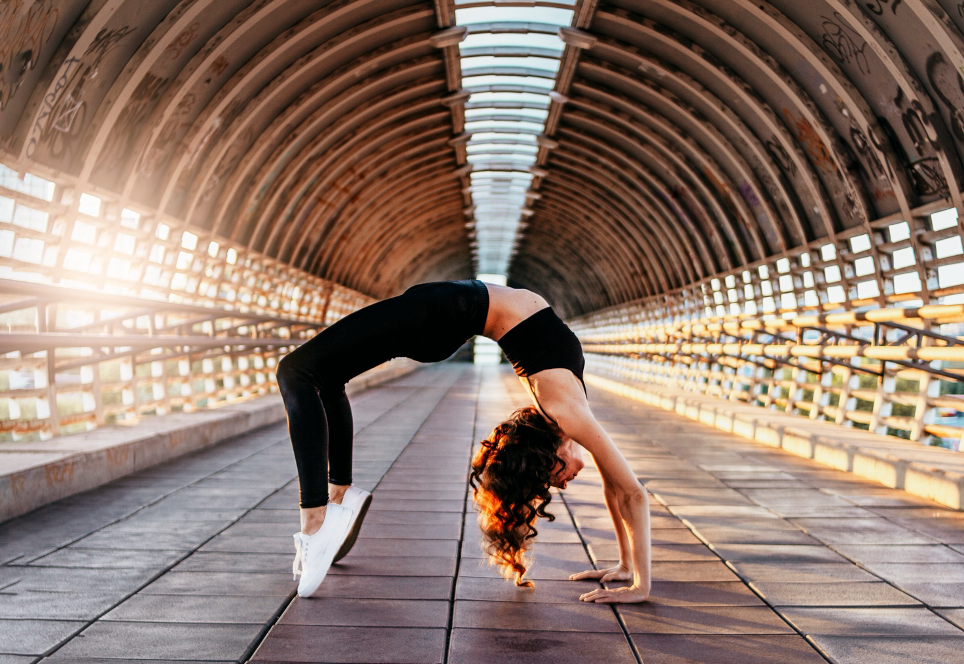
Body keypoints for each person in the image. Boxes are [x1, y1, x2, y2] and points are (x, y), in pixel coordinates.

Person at [276, 279, 651, 603]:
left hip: (445, 311)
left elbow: (621, 489)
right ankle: (332, 506)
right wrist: (635, 579)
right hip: (444, 312)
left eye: (549, 481)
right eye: (553, 479)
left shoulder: (564, 412)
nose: (563, 483)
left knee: (299, 372)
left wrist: (632, 573)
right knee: (311, 375)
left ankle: (325, 512)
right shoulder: (567, 411)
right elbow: (626, 491)